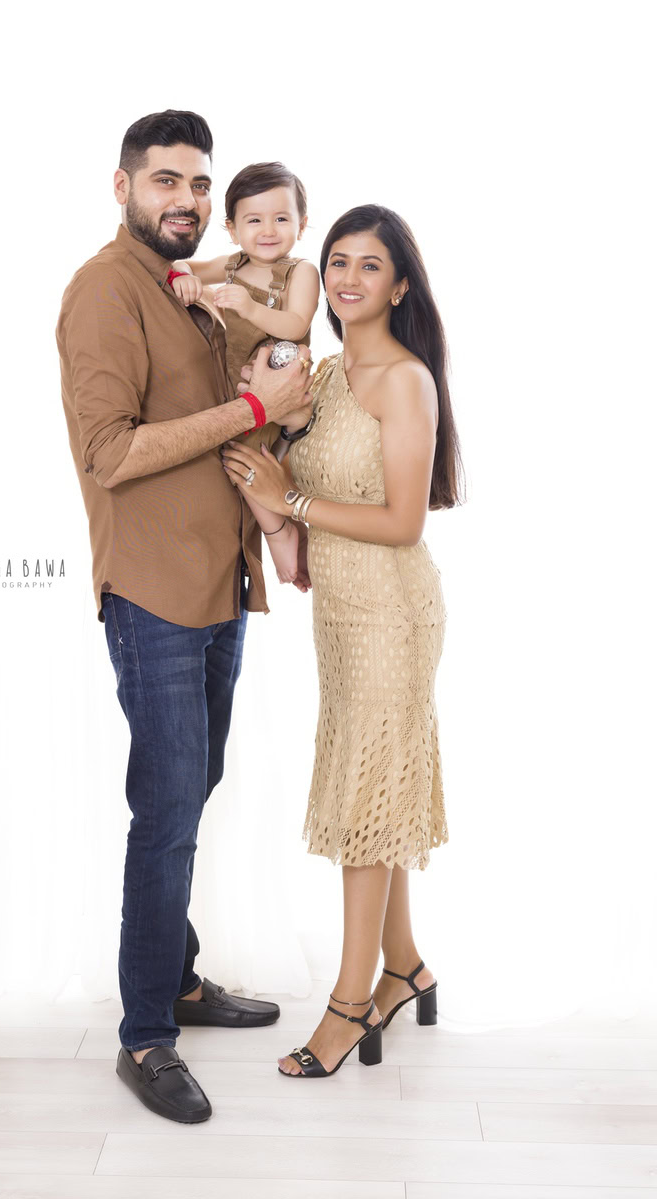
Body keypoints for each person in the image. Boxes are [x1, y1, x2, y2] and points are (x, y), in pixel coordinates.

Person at [56, 110, 313, 1122]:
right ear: (120, 186)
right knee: (166, 809)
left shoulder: (192, 286)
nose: (187, 202)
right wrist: (255, 414)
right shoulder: (102, 292)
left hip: (221, 585)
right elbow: (111, 451)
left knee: (189, 785)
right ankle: (144, 1034)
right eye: (165, 182)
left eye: (199, 184)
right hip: (154, 594)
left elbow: (285, 328)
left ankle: (179, 978)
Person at [222, 204, 464, 1078]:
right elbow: (268, 454)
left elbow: (402, 522)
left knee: (366, 801)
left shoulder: (404, 381)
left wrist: (293, 504)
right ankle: (405, 966)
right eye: (336, 263)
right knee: (378, 786)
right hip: (341, 616)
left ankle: (350, 1001)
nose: (348, 279)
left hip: (394, 614)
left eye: (369, 266)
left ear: (399, 284)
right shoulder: (321, 378)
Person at [170, 162, 319, 585]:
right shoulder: (233, 265)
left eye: (281, 218)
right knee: (225, 452)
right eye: (254, 220)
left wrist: (251, 308)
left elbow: (296, 322)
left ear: (301, 225)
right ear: (232, 228)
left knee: (242, 457)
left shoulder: (299, 272)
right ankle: (274, 532)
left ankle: (280, 536)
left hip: (277, 383)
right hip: (236, 391)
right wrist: (184, 276)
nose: (268, 230)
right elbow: (187, 267)